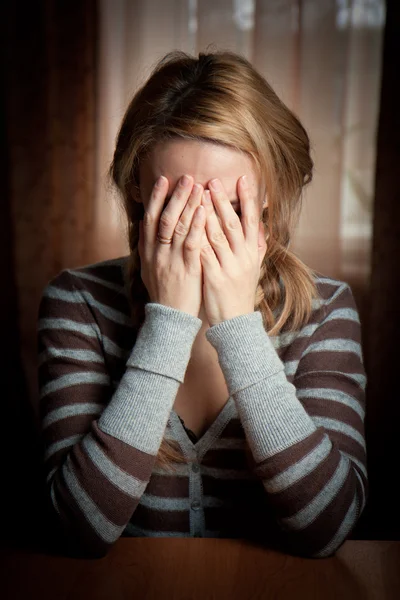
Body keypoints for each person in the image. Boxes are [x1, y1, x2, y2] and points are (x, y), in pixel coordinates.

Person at [38, 50, 367, 559]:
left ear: (267, 194)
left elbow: (327, 526)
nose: (198, 234)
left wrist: (238, 325)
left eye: (227, 207)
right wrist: (168, 323)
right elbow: (79, 528)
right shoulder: (78, 303)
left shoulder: (323, 311)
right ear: (137, 192)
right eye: (176, 204)